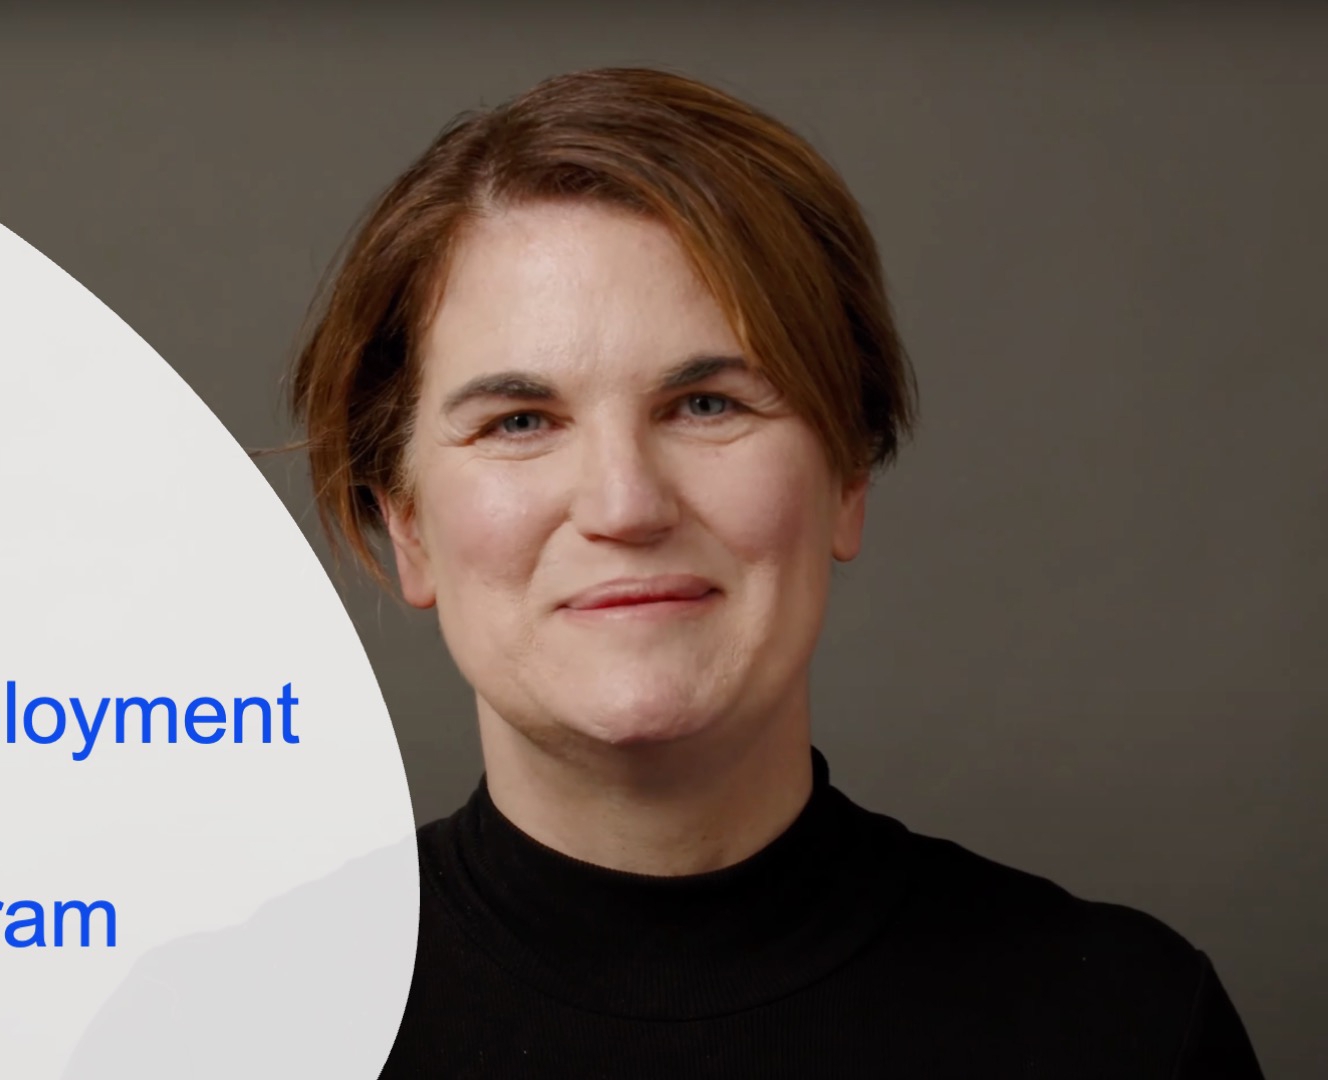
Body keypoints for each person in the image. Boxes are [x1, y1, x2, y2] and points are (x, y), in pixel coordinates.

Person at [289, 67, 1262, 1078]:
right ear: (407, 525)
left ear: (847, 473)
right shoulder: (217, 1026)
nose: (625, 505)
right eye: (520, 423)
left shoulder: (1128, 1026)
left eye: (707, 404)